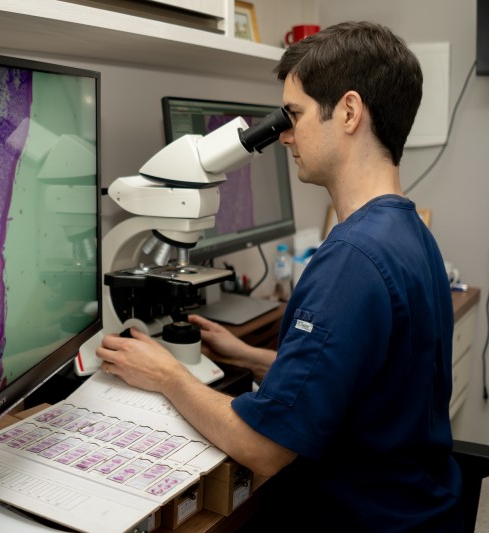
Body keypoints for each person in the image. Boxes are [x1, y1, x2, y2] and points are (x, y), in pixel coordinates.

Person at [96, 21, 462, 531]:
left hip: (363, 518)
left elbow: (264, 449)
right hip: (418, 503)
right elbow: (362, 377)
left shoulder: (352, 260)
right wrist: (249, 355)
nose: (285, 134)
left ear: (350, 112)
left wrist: (167, 376)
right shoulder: (408, 230)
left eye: (294, 115)